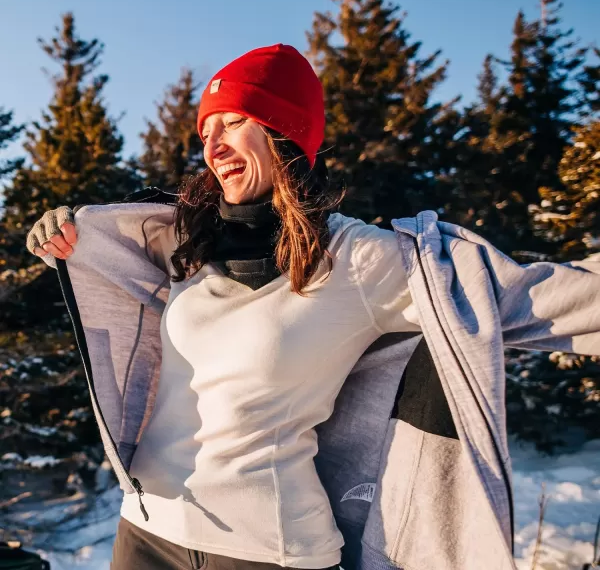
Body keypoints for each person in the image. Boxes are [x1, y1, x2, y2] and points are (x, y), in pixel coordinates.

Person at [26, 44, 600, 570]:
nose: (214, 145)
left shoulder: (359, 259)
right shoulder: (187, 245)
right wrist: (76, 240)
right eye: (206, 131)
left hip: (267, 549)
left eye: (234, 122)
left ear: (284, 131)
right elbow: (117, 266)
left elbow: (528, 297)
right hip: (146, 531)